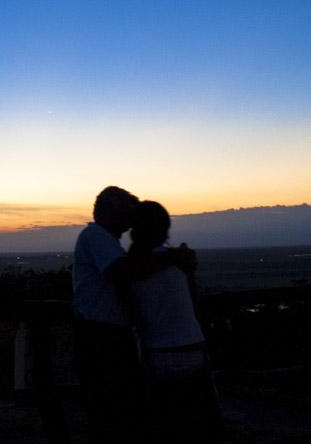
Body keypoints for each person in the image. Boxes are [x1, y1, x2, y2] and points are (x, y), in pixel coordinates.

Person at [72, 187, 197, 444]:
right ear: (109, 212)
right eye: (126, 213)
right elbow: (122, 272)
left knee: (117, 410)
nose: (130, 222)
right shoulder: (95, 234)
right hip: (101, 337)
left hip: (108, 336)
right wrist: (173, 256)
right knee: (112, 409)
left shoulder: (106, 241)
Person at [129, 200, 223, 443]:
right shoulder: (179, 263)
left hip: (158, 352)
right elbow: (193, 303)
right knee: (200, 425)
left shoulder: (134, 266)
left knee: (166, 425)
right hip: (193, 345)